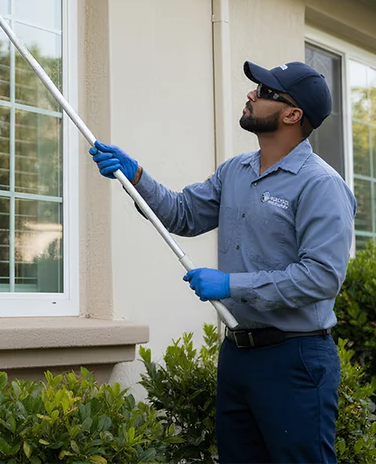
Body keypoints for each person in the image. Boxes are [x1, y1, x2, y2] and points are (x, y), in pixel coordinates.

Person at [89, 60, 356, 464]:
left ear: (292, 115)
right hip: (238, 355)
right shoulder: (236, 170)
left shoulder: (321, 184)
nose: (251, 94)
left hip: (294, 359)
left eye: (264, 92)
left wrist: (231, 285)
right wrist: (137, 177)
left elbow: (321, 277)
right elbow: (182, 213)